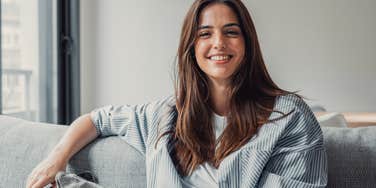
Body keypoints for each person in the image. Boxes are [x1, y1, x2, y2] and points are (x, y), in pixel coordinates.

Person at [26, 0, 327, 187]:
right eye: (205, 34)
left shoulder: (289, 117)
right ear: (191, 47)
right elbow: (98, 119)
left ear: (248, 45)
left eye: (231, 32)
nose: (219, 43)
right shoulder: (164, 116)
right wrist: (55, 161)